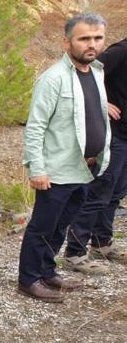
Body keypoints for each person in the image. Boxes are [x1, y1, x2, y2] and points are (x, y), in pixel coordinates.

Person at [18, 13, 111, 303]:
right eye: (84, 38)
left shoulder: (96, 72)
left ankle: (47, 271)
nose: (91, 44)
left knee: (61, 225)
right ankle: (29, 279)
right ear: (68, 41)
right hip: (56, 171)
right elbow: (35, 127)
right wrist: (37, 168)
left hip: (85, 169)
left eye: (97, 38)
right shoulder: (53, 78)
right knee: (42, 226)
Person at [65, 37, 127, 266]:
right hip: (114, 136)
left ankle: (102, 243)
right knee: (98, 194)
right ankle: (75, 252)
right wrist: (103, 103)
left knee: (115, 194)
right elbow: (84, 72)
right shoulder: (121, 51)